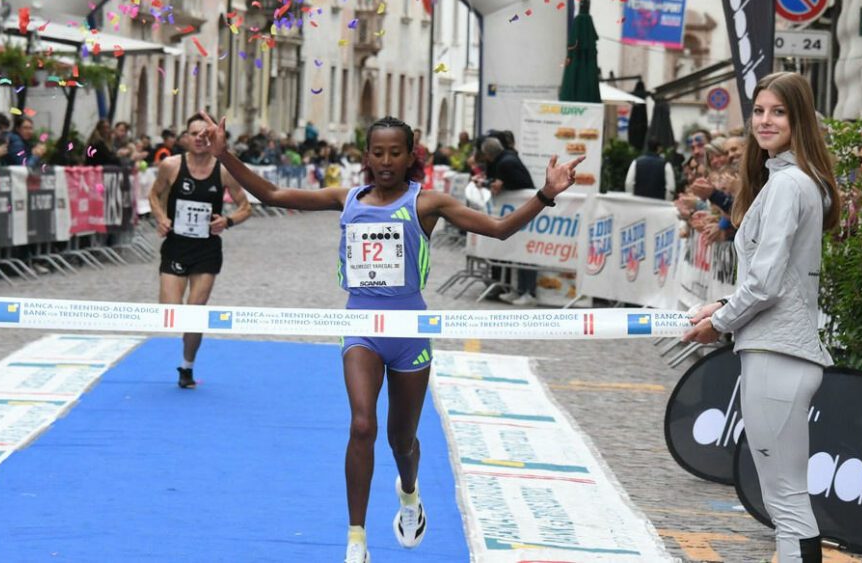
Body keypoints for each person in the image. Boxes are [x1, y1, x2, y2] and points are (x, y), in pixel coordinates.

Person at [196, 112, 583, 563]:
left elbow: (498, 230)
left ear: (410, 155)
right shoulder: (348, 197)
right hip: (362, 326)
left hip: (409, 331)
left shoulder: (427, 203)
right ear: (365, 157)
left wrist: (545, 194)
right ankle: (356, 539)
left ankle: (409, 491)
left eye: (394, 153)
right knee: (362, 425)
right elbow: (274, 194)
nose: (385, 161)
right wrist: (225, 154)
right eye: (377, 153)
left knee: (403, 441)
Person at [682, 72, 839, 563]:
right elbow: (774, 279)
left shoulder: (790, 185)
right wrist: (721, 309)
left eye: (778, 112)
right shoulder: (790, 180)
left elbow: (767, 284)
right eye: (759, 111)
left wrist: (721, 320)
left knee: (787, 503)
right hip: (779, 350)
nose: (765, 121)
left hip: (777, 353)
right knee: (787, 499)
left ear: (799, 120)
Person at [148, 114, 253, 389]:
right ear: (185, 138)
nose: (199, 138)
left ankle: (187, 366)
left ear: (212, 139)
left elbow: (246, 206)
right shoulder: (171, 166)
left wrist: (227, 221)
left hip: (206, 250)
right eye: (194, 134)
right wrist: (160, 217)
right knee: (171, 313)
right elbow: (153, 195)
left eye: (205, 135)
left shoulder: (223, 170)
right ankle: (186, 351)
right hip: (175, 246)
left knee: (195, 313)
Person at [474, 136, 540, 306]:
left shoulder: (505, 163)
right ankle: (516, 289)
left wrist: (486, 184)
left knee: (525, 252)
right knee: (516, 251)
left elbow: (497, 187)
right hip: (519, 210)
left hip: (525, 211)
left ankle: (528, 292)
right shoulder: (506, 158)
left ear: (488, 154)